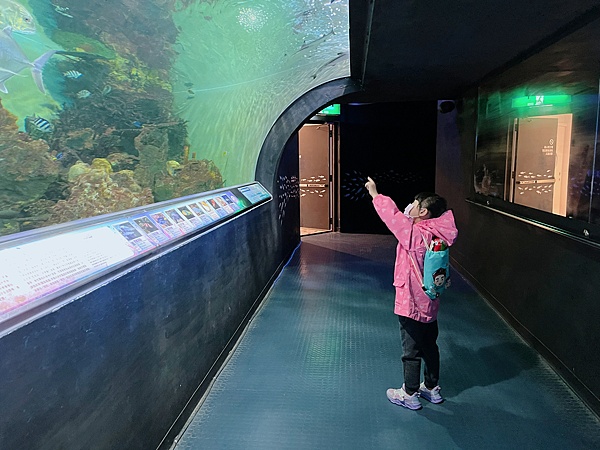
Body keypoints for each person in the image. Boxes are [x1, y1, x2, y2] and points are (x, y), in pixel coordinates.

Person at [365, 177, 458, 410]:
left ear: (423, 211)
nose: (410, 206)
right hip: (431, 302)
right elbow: (404, 219)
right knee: (430, 346)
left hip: (411, 303)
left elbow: (393, 217)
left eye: (415, 204)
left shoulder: (415, 235)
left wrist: (376, 194)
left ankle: (409, 393)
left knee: (410, 351)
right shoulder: (438, 234)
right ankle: (432, 388)